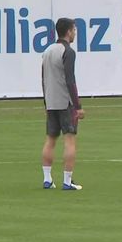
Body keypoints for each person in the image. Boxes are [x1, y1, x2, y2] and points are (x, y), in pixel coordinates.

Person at [41, 18, 85, 190]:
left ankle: (47, 179)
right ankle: (67, 181)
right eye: (74, 30)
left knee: (50, 139)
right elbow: (70, 80)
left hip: (51, 101)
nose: (75, 33)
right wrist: (78, 106)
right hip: (65, 102)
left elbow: (43, 79)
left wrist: (46, 103)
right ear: (68, 32)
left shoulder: (47, 51)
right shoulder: (68, 51)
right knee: (70, 140)